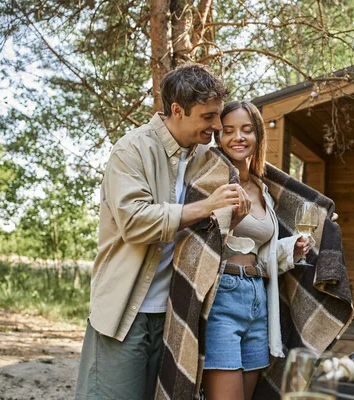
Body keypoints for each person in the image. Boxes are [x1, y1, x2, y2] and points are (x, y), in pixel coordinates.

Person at [75, 64, 251, 400]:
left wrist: (234, 216)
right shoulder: (132, 149)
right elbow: (135, 222)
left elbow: (211, 230)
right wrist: (206, 206)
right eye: (208, 116)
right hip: (127, 312)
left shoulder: (206, 158)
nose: (217, 125)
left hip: (176, 313)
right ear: (177, 110)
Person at [201, 100, 312, 400]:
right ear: (218, 137)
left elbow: (262, 254)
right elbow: (196, 242)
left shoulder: (264, 192)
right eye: (229, 130)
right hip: (222, 296)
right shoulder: (211, 180)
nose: (238, 137)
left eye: (247, 130)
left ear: (258, 136)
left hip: (257, 298)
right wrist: (228, 222)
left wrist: (293, 248)